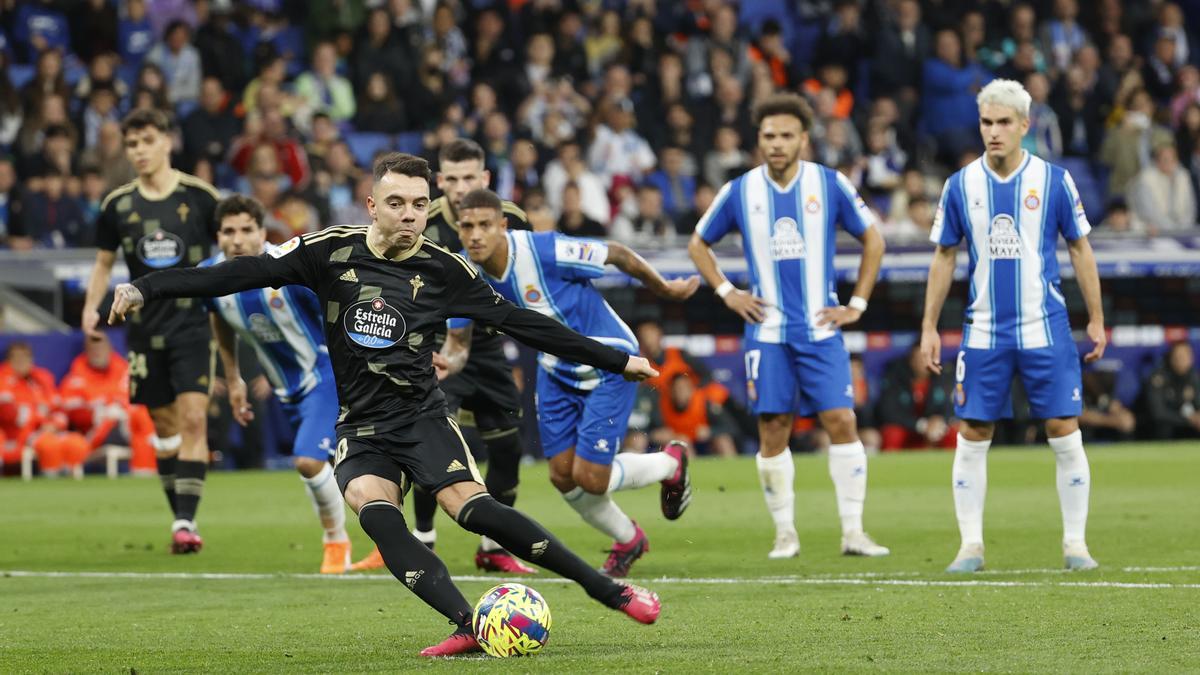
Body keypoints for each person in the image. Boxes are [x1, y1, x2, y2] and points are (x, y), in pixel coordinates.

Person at [107, 152, 663, 657]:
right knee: (378, 514)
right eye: (396, 203)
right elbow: (242, 271)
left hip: (422, 416)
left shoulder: (447, 270)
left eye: (420, 205)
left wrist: (616, 360)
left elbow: (523, 322)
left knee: (470, 509)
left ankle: (607, 589)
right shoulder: (327, 251)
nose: (409, 215)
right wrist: (144, 287)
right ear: (372, 205)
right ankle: (468, 622)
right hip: (362, 424)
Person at [688, 92, 890, 560]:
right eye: (768, 136)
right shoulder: (740, 191)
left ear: (803, 138)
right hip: (768, 331)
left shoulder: (830, 184)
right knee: (774, 427)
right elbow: (700, 243)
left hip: (821, 328)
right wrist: (726, 292)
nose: (776, 144)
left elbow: (873, 239)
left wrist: (857, 303)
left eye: (785, 135)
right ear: (758, 141)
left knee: (841, 420)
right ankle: (785, 534)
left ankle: (854, 532)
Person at [455, 187, 697, 577]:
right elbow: (456, 344)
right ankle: (628, 539)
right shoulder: (465, 273)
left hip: (610, 360)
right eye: (467, 227)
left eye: (485, 225)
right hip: (555, 369)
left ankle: (669, 463)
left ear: (502, 225)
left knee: (591, 478)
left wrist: (664, 288)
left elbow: (615, 252)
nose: (476, 235)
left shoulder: (543, 250)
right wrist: (441, 366)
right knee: (562, 476)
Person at [919, 79, 1107, 573]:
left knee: (1064, 430)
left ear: (1025, 125)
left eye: (1004, 122)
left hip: (1045, 328)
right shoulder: (960, 185)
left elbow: (1080, 249)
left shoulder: (1054, 181)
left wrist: (1097, 318)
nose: (995, 132)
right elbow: (943, 256)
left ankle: (1075, 545)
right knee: (973, 432)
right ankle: (970, 547)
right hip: (983, 333)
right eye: (987, 122)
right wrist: (929, 326)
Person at [350, 139, 536, 575]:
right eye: (450, 179)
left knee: (507, 446)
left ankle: (493, 547)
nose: (459, 187)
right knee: (430, 443)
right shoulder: (420, 219)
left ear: (485, 179)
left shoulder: (509, 218)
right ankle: (423, 538)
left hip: (489, 348)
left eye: (469, 177)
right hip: (432, 348)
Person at [82, 108, 220, 553]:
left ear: (166, 141)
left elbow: (232, 251)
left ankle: (185, 522)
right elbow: (104, 263)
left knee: (195, 418)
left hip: (194, 324)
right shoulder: (117, 204)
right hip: (143, 330)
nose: (139, 151)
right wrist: (91, 308)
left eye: (146, 141)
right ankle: (178, 511)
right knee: (164, 427)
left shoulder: (201, 198)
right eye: (132, 144)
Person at [199, 194, 351, 573]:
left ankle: (336, 543)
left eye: (246, 230)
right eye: (228, 231)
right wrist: (233, 379)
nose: (237, 240)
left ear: (262, 232)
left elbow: (334, 310)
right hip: (286, 388)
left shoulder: (289, 268)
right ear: (218, 235)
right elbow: (219, 319)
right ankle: (385, 538)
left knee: (308, 460)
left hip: (324, 374)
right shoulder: (212, 275)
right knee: (337, 466)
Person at [58, 333, 156, 474]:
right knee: (138, 418)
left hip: (128, 425)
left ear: (110, 349)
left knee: (144, 415)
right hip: (96, 432)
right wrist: (96, 412)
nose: (98, 352)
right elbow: (71, 414)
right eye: (93, 348)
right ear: (86, 351)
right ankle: (146, 471)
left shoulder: (125, 373)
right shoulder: (75, 379)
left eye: (101, 347)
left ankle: (147, 472)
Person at [877, 345, 956, 451]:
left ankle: (953, 465)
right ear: (911, 360)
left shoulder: (943, 378)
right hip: (909, 427)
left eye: (926, 358)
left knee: (954, 432)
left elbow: (952, 407)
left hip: (934, 428)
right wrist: (921, 425)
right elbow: (889, 412)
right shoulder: (897, 379)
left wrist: (941, 420)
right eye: (918, 359)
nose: (922, 363)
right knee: (892, 434)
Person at [1142, 341, 1200, 439]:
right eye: (1177, 356)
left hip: (1190, 426)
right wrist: (1188, 419)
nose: (1181, 360)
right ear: (1171, 358)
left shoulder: (1194, 377)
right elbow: (1158, 413)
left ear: (1191, 359)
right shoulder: (1159, 378)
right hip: (1165, 429)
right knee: (1164, 427)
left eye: (1184, 357)